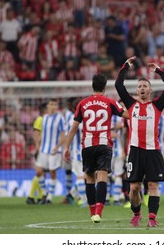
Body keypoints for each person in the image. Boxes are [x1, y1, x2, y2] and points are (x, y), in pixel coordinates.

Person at [115, 56, 164, 228]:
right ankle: (136, 213)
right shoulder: (130, 103)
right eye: (139, 86)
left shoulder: (157, 105)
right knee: (134, 187)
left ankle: (152, 218)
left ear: (149, 90)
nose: (142, 88)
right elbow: (119, 85)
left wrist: (159, 71)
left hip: (153, 151)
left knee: (153, 185)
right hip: (135, 151)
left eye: (145, 86)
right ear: (137, 90)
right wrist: (125, 66)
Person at [63, 74, 128, 223]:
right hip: (104, 144)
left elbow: (74, 127)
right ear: (105, 87)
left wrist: (66, 147)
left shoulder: (82, 104)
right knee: (102, 176)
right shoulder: (110, 102)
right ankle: (99, 212)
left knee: (90, 178)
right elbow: (127, 115)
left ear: (92, 86)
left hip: (87, 145)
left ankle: (92, 213)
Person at [36, 98, 66, 204]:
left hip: (54, 150)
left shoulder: (60, 118)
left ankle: (49, 197)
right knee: (38, 171)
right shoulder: (44, 118)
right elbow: (42, 133)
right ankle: (44, 193)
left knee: (52, 172)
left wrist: (58, 147)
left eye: (55, 104)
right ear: (47, 106)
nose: (52, 106)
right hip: (43, 149)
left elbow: (63, 135)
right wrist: (37, 145)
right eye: (51, 104)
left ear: (57, 107)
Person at [62, 97, 86, 206]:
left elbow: (68, 135)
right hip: (89, 150)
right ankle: (72, 195)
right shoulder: (89, 118)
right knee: (89, 176)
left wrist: (66, 148)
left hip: (77, 152)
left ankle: (85, 201)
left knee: (80, 177)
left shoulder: (72, 120)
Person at [26, 102, 47, 204]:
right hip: (41, 149)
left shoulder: (46, 119)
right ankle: (31, 196)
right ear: (44, 110)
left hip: (45, 149)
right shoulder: (40, 119)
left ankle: (39, 196)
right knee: (40, 172)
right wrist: (37, 146)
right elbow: (36, 133)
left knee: (42, 173)